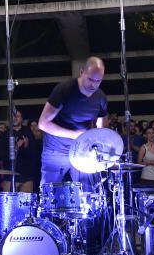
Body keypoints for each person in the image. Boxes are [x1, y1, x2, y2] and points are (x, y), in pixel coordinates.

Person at [37, 57, 108, 191]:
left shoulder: (100, 97)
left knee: (89, 193)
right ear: (82, 72)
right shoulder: (65, 90)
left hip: (83, 150)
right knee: (50, 193)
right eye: (90, 80)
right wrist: (74, 134)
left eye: (98, 81)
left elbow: (101, 125)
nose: (93, 85)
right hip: (56, 149)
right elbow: (43, 123)